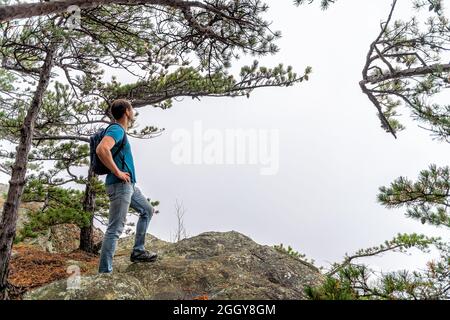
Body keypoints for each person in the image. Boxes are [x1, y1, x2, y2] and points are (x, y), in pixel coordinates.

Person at [96, 99, 158, 274]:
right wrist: (117, 172)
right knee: (115, 229)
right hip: (120, 185)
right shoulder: (116, 129)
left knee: (147, 210)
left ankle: (138, 251)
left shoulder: (120, 130)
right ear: (126, 112)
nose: (134, 112)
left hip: (128, 185)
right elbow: (102, 149)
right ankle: (104, 273)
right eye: (132, 109)